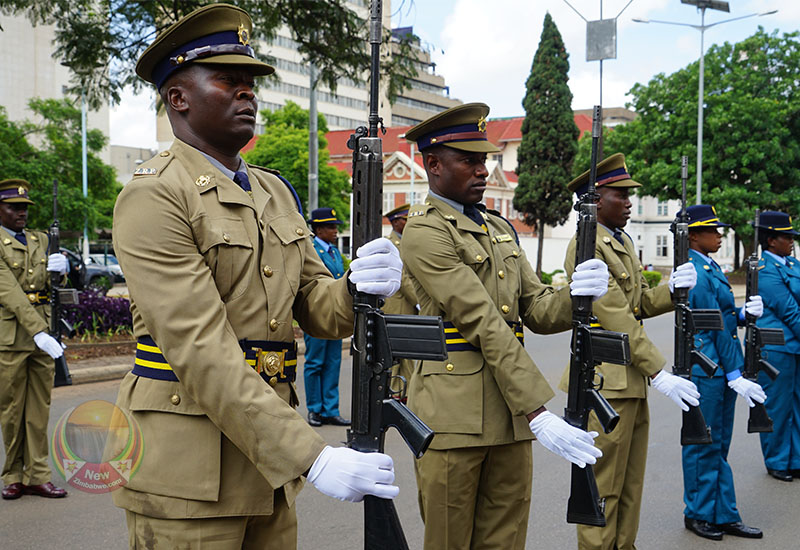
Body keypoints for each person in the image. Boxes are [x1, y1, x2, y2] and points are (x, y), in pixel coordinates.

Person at [111, 4, 404, 548]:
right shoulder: (155, 195)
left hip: (266, 469)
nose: (248, 92)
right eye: (228, 79)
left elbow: (319, 307)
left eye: (250, 82)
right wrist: (312, 455)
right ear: (178, 98)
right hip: (188, 480)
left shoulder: (274, 192)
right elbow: (200, 349)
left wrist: (359, 285)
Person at [401, 103, 609, 550]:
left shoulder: (499, 228)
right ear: (433, 165)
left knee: (506, 540)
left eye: (486, 160)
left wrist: (576, 294)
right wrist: (537, 410)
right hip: (453, 416)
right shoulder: (425, 231)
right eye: (470, 160)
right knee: (450, 541)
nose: (482, 170)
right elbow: (480, 319)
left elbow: (535, 308)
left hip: (509, 417)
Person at [560, 153, 701, 550]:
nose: (628, 202)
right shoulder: (588, 246)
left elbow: (636, 303)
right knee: (603, 484)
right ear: (597, 198)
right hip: (607, 382)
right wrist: (660, 371)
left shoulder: (620, 241)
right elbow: (617, 316)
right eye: (620, 195)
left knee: (630, 483)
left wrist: (671, 291)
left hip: (629, 380)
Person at [679, 204, 765, 540]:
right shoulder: (693, 269)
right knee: (703, 444)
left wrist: (742, 315)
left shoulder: (709, 266)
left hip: (720, 366)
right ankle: (698, 512)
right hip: (708, 368)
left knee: (719, 444)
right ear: (694, 236)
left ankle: (722, 511)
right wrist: (734, 371)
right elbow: (712, 326)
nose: (720, 235)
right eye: (712, 231)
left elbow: (724, 319)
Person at [0, 178, 69, 500]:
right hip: (12, 337)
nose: (21, 213)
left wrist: (64, 268)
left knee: (39, 410)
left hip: (45, 335)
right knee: (12, 411)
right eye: (13, 207)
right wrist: (39, 332)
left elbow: (50, 285)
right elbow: (10, 293)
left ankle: (37, 475)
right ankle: (13, 475)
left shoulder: (40, 240)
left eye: (24, 208)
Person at [754, 210, 800, 482]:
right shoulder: (765, 271)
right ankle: (777, 460)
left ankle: (795, 458)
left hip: (795, 348)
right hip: (778, 349)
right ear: (771, 241)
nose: (792, 241)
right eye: (787, 237)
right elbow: (790, 311)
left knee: (796, 405)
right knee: (777, 408)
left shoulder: (791, 265)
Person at [303, 207, 349, 427]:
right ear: (319, 229)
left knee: (333, 362)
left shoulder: (333, 252)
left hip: (334, 315)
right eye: (331, 227)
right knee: (315, 363)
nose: (335, 231)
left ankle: (331, 409)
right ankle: (314, 409)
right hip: (316, 313)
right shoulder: (311, 250)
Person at [382, 204, 417, 397]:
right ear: (396, 222)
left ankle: (407, 395)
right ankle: (394, 395)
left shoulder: (409, 242)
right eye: (406, 219)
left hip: (408, 307)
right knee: (395, 356)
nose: (410, 222)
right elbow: (402, 277)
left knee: (409, 355)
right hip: (398, 308)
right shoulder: (391, 245)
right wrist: (420, 301)